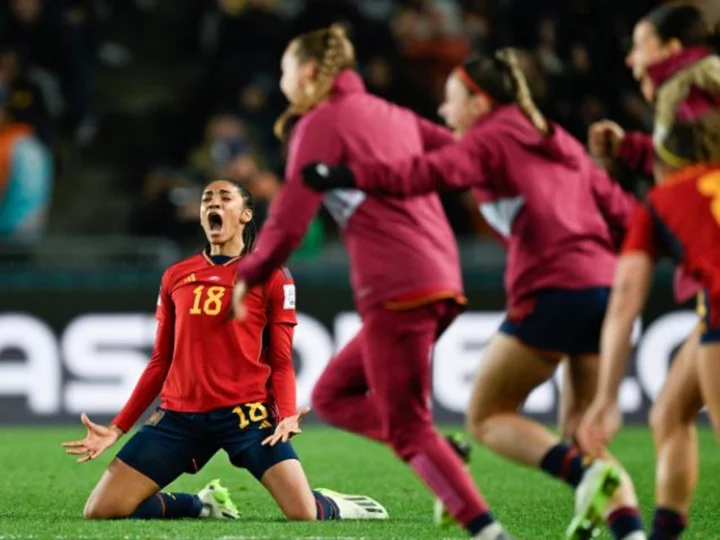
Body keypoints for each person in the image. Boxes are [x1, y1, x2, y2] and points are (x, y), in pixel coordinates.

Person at [301, 49, 647, 540]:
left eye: (451, 100)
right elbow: (625, 213)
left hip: (552, 289)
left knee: (487, 418)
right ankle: (630, 530)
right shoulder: (554, 139)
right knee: (582, 434)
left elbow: (422, 174)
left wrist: (345, 175)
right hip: (603, 291)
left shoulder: (490, 139)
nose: (444, 112)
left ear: (479, 103)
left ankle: (581, 475)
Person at [231, 24, 512, 540]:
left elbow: (290, 223)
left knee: (406, 426)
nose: (283, 81)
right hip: (440, 277)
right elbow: (461, 158)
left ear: (310, 72)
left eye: (286, 70)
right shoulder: (394, 115)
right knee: (335, 394)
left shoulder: (320, 123)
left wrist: (248, 274)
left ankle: (487, 530)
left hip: (399, 286)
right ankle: (440, 455)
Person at [62, 178, 388, 523]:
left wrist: (286, 413)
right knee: (101, 510)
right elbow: (161, 361)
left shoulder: (272, 276)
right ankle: (198, 504)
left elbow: (280, 361)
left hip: (247, 416)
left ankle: (332, 503)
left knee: (304, 513)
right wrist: (117, 428)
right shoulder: (176, 276)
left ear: (245, 214)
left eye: (224, 197)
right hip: (180, 417)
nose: (212, 203)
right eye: (206, 199)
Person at [578, 6, 720, 539]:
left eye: (641, 43)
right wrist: (637, 150)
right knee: (668, 414)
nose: (631, 57)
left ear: (672, 44)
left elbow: (625, 303)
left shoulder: (687, 88)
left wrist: (608, 397)